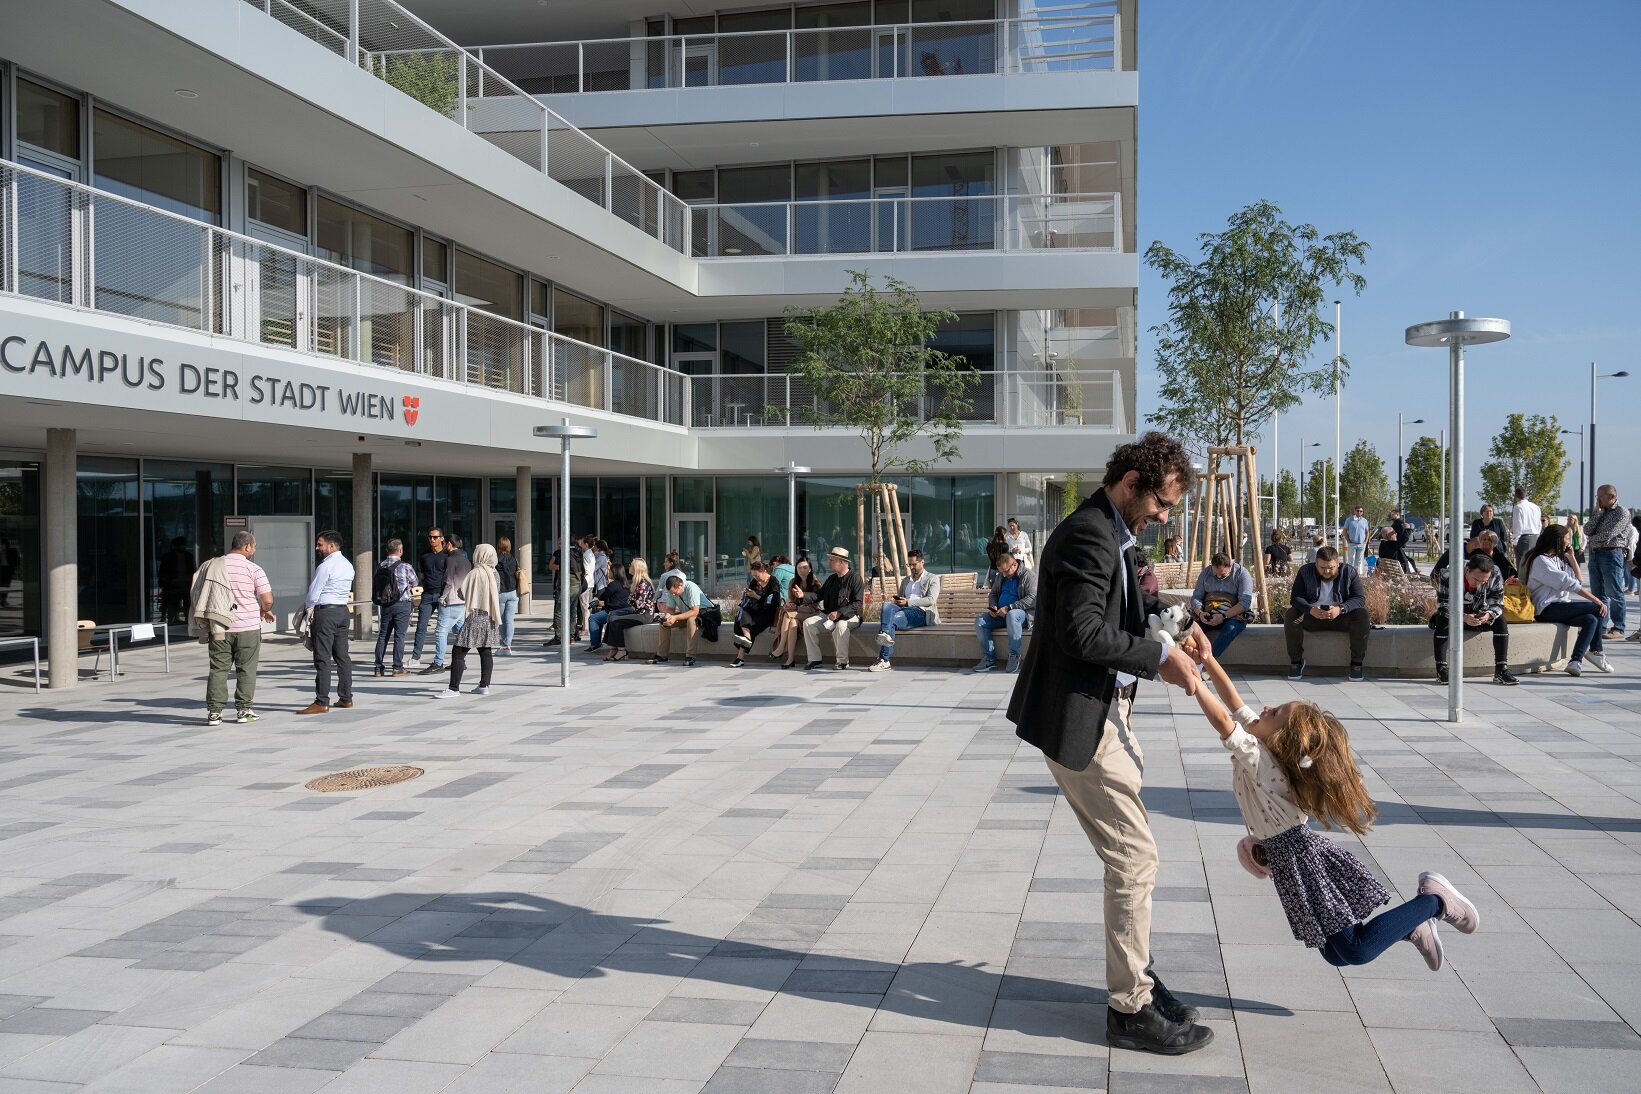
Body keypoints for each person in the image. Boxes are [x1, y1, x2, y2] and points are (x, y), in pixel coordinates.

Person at [1005, 432, 1212, 1055]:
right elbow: (1082, 634)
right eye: (1161, 504)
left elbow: (1129, 607)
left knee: (1133, 855)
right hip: (1083, 720)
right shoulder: (1088, 534)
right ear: (1130, 482)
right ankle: (1130, 1008)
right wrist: (1159, 661)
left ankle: (1138, 980)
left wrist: (1179, 628)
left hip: (1103, 715)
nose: (1164, 517)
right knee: (1135, 858)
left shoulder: (1113, 534)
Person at [1190, 646, 1480, 973]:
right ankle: (1411, 926)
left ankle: (1434, 901)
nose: (1265, 709)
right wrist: (1207, 659)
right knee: (1334, 953)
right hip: (1290, 861)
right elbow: (1234, 703)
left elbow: (1222, 720)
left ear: (1282, 742)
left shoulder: (1261, 760)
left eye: (1273, 714)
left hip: (1302, 862)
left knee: (1355, 950)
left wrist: (1195, 682)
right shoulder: (1266, 748)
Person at [192, 530, 274, 727]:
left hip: (219, 626)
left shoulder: (211, 566)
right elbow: (268, 599)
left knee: (218, 669)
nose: (254, 550)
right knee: (246, 669)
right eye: (254, 547)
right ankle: (244, 711)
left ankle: (214, 713)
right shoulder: (254, 569)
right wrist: (264, 610)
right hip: (248, 627)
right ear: (247, 547)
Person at [1523, 524, 1612, 676]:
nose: (1569, 541)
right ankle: (1596, 651)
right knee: (1597, 608)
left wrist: (1571, 557)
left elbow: (1578, 579)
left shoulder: (1558, 560)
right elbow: (1569, 584)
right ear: (1557, 540)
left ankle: (1575, 661)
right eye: (1567, 538)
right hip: (1546, 609)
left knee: (1590, 619)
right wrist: (1596, 600)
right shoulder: (1541, 561)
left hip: (1560, 606)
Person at [1429, 552, 1517, 686]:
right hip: (1455, 615)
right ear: (1467, 570)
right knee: (1442, 619)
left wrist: (1488, 614)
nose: (1479, 584)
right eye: (1476, 580)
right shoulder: (1449, 576)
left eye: (1484, 581)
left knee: (1500, 621)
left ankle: (1501, 669)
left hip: (1480, 613)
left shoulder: (1495, 573)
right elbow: (1443, 605)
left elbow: (1498, 602)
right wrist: (1463, 617)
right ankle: (1441, 669)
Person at [1284, 545, 1370, 681]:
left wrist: (1340, 609)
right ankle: (1296, 661)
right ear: (1316, 563)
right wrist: (1310, 609)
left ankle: (1356, 663)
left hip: (1340, 618)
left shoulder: (1349, 572)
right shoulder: (1305, 571)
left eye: (1331, 567)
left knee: (1361, 614)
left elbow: (1359, 599)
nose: (1327, 571)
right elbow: (1295, 598)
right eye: (1322, 568)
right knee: (1292, 614)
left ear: (1338, 564)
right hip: (1312, 617)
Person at [299, 530, 355, 715]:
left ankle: (321, 701)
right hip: (342, 611)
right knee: (342, 657)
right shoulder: (348, 565)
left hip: (326, 613)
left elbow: (314, 592)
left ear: (331, 546)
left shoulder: (325, 566)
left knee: (322, 658)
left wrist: (307, 611)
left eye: (320, 544)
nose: (317, 547)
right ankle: (346, 697)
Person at [437, 543, 502, 697]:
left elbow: (461, 593)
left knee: (458, 652)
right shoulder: (495, 573)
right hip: (489, 617)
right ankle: (484, 685)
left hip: (474, 616)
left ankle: (453, 688)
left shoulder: (476, 573)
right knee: (485, 651)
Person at [871, 548, 941, 672]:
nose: (912, 567)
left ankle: (884, 659)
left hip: (921, 613)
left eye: (914, 564)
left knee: (891, 621)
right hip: (904, 610)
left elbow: (931, 600)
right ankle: (885, 646)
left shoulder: (932, 578)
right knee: (887, 606)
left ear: (922, 562)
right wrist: (899, 601)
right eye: (910, 564)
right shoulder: (906, 580)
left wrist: (908, 602)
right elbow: (900, 599)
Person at [802, 546, 864, 671]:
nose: (829, 563)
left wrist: (840, 612)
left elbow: (857, 603)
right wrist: (803, 595)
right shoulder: (831, 579)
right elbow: (819, 595)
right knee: (808, 623)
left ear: (841, 562)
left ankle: (842, 661)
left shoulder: (855, 578)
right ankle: (814, 659)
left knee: (841, 625)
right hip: (829, 615)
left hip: (851, 616)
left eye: (832, 560)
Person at [973, 552, 1036, 674]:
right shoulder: (1001, 576)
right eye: (1001, 572)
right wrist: (993, 606)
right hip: (1000, 614)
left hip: (1021, 614)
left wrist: (1010, 607)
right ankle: (989, 658)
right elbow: (993, 594)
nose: (1004, 574)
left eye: (1006, 571)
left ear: (1014, 565)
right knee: (980, 621)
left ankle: (1014, 655)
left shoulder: (1028, 576)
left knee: (1012, 615)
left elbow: (1033, 598)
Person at [1585, 484, 1631, 639]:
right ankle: (1600, 626)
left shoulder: (1621, 512)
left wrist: (1591, 539)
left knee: (1614, 592)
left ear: (1611, 497)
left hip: (1611, 554)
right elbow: (1586, 530)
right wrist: (1597, 515)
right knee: (1598, 594)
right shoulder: (1600, 512)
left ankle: (1618, 627)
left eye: (1600, 496)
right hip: (1595, 555)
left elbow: (1608, 534)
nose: (1597, 499)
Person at [421, 534, 471, 674]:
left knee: (441, 632)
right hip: (462, 601)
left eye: (445, 543)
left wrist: (442, 598)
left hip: (450, 601)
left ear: (449, 544)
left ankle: (438, 662)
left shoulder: (450, 559)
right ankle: (461, 660)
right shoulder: (466, 560)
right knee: (459, 632)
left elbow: (448, 581)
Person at [1191, 552, 1254, 658]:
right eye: (1215, 574)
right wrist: (1201, 614)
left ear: (1230, 566)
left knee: (1231, 628)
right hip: (1208, 612)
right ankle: (1191, 659)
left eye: (1222, 574)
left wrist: (1223, 616)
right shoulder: (1205, 573)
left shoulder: (1242, 574)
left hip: (1233, 615)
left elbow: (1244, 603)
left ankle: (1208, 662)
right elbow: (1196, 597)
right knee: (1191, 630)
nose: (1218, 577)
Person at [371, 539, 417, 678]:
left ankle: (378, 668)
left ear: (387, 551)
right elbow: (415, 582)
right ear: (400, 550)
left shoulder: (381, 566)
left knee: (383, 635)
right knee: (399, 636)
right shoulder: (406, 566)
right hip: (402, 604)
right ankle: (397, 667)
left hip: (386, 605)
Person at [602, 558, 657, 663]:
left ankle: (622, 650)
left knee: (616, 621)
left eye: (631, 565)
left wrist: (631, 600)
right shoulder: (637, 583)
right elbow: (632, 601)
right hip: (638, 612)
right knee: (612, 619)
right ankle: (613, 648)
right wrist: (631, 600)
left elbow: (637, 604)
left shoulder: (644, 584)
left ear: (636, 568)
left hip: (644, 615)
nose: (629, 567)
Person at [772, 557, 820, 668]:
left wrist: (802, 598)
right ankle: (790, 659)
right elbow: (793, 601)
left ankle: (780, 647)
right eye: (799, 568)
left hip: (812, 612)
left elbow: (816, 603)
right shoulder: (793, 582)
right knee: (792, 622)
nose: (802, 570)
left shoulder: (816, 583)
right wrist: (792, 604)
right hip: (798, 613)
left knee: (787, 614)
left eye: (805, 567)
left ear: (810, 569)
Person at [729, 562, 781, 667]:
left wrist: (756, 596)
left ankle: (740, 657)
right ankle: (747, 636)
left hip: (767, 612)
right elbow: (749, 596)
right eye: (753, 575)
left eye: (756, 575)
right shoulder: (754, 581)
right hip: (753, 609)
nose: (755, 578)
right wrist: (748, 594)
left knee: (751, 626)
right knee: (743, 612)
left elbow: (773, 602)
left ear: (764, 571)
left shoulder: (773, 582)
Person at [652, 573, 705, 666]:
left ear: (681, 585)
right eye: (671, 593)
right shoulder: (672, 592)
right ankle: (662, 655)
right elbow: (671, 609)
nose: (673, 594)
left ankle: (690, 656)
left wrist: (675, 617)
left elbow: (695, 611)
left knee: (691, 620)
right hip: (686, 615)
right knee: (664, 623)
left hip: (704, 616)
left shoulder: (691, 587)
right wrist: (668, 617)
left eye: (675, 592)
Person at [411, 528, 446, 665]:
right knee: (421, 626)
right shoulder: (425, 555)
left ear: (441, 539)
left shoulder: (447, 555)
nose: (432, 539)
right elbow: (421, 572)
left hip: (442, 595)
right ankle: (415, 657)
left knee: (443, 628)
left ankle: (444, 657)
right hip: (427, 594)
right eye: (430, 537)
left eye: (435, 537)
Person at [1430, 530, 1514, 583]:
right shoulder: (1460, 553)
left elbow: (1510, 570)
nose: (1486, 542)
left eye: (1489, 540)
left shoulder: (1499, 555)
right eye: (1483, 540)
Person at [546, 537, 586, 647]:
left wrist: (561, 567)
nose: (558, 543)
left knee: (559, 611)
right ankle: (572, 636)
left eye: (560, 541)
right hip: (577, 585)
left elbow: (551, 566)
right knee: (572, 612)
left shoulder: (561, 553)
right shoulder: (578, 552)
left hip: (566, 585)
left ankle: (558, 636)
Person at [585, 565, 630, 654]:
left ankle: (595, 644)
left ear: (615, 573)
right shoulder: (626, 584)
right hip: (624, 610)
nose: (608, 573)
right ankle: (597, 642)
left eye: (609, 571)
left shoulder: (613, 584)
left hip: (613, 611)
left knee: (593, 618)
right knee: (598, 614)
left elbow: (602, 597)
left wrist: (601, 601)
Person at [158, 536, 197, 624]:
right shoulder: (169, 556)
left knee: (183, 603)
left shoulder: (188, 556)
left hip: (183, 584)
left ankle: (181, 619)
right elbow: (163, 571)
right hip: (174, 584)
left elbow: (192, 570)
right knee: (174, 603)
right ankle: (174, 619)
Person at [496, 536, 521, 655]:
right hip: (513, 592)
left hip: (501, 592)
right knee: (510, 619)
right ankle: (508, 644)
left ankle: (503, 644)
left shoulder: (496, 560)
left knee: (501, 620)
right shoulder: (513, 559)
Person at [1510, 487, 1543, 567]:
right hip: (1535, 537)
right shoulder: (1535, 507)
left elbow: (1518, 525)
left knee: (1522, 565)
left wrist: (1515, 541)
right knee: (1533, 564)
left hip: (1524, 538)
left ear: (1515, 496)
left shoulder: (1518, 507)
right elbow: (1539, 524)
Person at [1390, 509, 1420, 576]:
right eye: (1391, 514)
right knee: (1407, 560)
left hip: (1397, 545)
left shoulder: (1399, 523)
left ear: (1398, 515)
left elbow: (1402, 534)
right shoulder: (1395, 523)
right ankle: (1414, 570)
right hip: (1396, 545)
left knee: (1408, 560)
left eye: (1393, 514)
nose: (1391, 516)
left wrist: (1399, 542)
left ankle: (1414, 570)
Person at [1342, 505, 1370, 572]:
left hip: (1361, 544)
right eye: (1357, 511)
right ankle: (1350, 574)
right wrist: (1348, 541)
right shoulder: (1349, 520)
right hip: (1352, 543)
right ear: (1354, 511)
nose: (1359, 512)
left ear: (1362, 512)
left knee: (1358, 562)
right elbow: (1345, 531)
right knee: (1351, 561)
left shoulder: (1365, 521)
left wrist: (1365, 542)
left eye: (1361, 511)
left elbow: (1367, 532)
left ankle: (1355, 575)